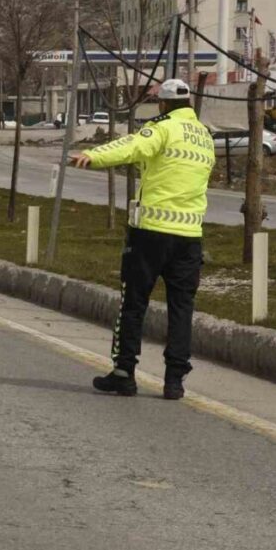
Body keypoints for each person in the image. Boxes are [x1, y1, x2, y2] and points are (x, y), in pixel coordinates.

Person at [70, 79, 215, 400]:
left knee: (134, 302)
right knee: (181, 308)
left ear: (162, 105)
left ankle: (124, 373)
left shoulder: (162, 128)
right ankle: (174, 380)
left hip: (152, 230)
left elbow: (133, 146)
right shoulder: (205, 137)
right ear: (189, 103)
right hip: (190, 236)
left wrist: (93, 156)